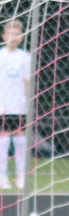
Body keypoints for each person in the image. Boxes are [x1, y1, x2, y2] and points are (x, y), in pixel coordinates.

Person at [0, 19, 32, 190]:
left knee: (20, 141)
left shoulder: (25, 57)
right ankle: (2, 176)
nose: (13, 37)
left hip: (20, 106)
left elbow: (28, 82)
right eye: (10, 34)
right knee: (3, 141)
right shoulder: (1, 56)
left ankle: (21, 176)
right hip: (2, 106)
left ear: (21, 37)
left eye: (16, 34)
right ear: (4, 36)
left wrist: (29, 101)